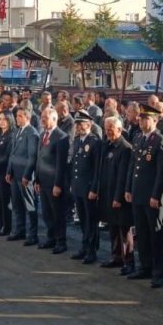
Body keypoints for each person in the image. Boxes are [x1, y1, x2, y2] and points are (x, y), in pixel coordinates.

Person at [124, 104, 163, 289]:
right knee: (141, 232)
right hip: (137, 193)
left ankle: (159, 272)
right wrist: (128, 188)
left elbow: (162, 172)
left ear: (155, 120)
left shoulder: (160, 141)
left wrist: (156, 195)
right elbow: (132, 166)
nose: (142, 122)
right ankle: (145, 266)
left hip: (152, 196)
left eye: (146, 119)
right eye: (141, 119)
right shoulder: (137, 138)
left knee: (155, 234)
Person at [99, 116, 135, 274]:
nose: (108, 133)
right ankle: (116, 256)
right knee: (113, 228)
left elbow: (123, 176)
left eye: (111, 130)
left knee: (124, 230)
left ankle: (128, 261)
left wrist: (117, 197)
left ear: (119, 130)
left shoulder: (125, 148)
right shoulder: (108, 146)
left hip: (118, 197)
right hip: (108, 193)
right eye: (106, 130)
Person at [68, 111, 102, 263]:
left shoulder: (95, 142)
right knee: (82, 219)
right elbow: (75, 165)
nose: (78, 127)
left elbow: (97, 169)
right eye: (77, 124)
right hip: (78, 187)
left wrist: (94, 189)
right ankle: (84, 246)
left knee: (91, 221)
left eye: (81, 124)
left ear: (89, 124)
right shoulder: (77, 141)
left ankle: (91, 250)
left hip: (88, 188)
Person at [35, 108, 70, 254]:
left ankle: (61, 241)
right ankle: (51, 238)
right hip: (43, 181)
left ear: (54, 119)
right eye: (42, 117)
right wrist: (36, 179)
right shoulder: (43, 134)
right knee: (47, 213)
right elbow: (39, 159)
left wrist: (57, 184)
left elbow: (61, 164)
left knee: (57, 213)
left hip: (54, 183)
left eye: (45, 117)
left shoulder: (61, 137)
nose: (42, 119)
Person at [6, 108, 39, 243]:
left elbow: (32, 157)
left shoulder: (32, 133)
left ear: (27, 117)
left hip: (25, 176)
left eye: (19, 116)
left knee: (30, 206)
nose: (17, 118)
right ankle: (19, 230)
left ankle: (32, 235)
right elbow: (12, 154)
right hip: (14, 174)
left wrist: (27, 175)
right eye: (16, 116)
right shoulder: (17, 131)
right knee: (17, 204)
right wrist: (9, 171)